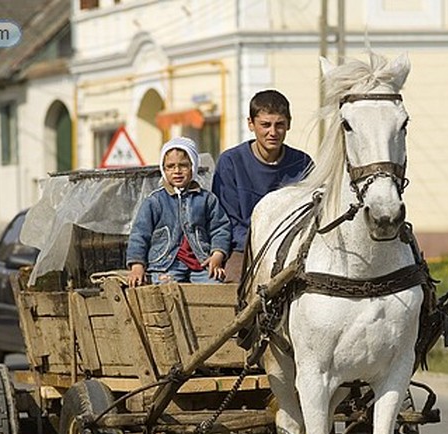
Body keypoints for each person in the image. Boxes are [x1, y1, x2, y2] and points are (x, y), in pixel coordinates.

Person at [212, 89, 313, 281]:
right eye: (265, 125)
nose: (273, 132)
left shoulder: (303, 163)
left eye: (279, 125)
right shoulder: (231, 162)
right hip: (244, 250)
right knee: (232, 291)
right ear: (251, 124)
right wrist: (262, 245)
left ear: (289, 124)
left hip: (293, 250)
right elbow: (226, 221)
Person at [126, 137, 231, 286]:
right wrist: (137, 265)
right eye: (170, 166)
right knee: (165, 291)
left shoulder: (206, 199)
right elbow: (139, 234)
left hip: (200, 264)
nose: (177, 171)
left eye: (183, 166)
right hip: (165, 264)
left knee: (215, 289)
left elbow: (220, 228)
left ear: (193, 167)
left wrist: (217, 255)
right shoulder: (155, 201)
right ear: (163, 169)